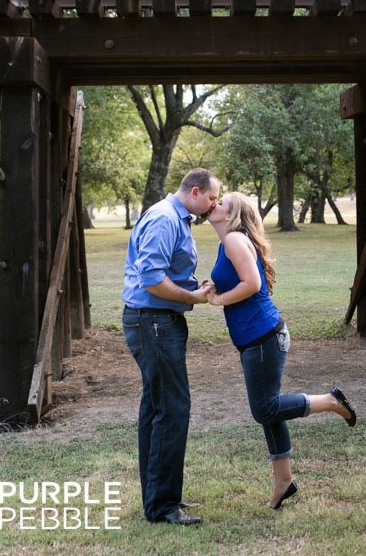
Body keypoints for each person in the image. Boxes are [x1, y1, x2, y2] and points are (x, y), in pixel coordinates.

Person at [202, 192, 356, 509]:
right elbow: (239, 281)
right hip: (257, 338)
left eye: (221, 203)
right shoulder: (228, 242)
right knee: (269, 411)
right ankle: (284, 483)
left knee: (265, 409)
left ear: (232, 215)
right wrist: (215, 287)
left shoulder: (233, 240)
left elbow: (253, 285)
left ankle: (329, 402)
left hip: (263, 337)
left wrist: (219, 300)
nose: (214, 205)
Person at [122, 168, 220, 525]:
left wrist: (194, 285)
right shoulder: (165, 219)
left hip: (159, 321)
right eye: (212, 198)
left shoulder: (177, 218)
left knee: (157, 407)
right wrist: (191, 296)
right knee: (172, 408)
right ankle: (163, 505)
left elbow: (166, 273)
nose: (214, 205)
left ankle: (159, 497)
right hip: (153, 322)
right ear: (195, 192)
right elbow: (151, 280)